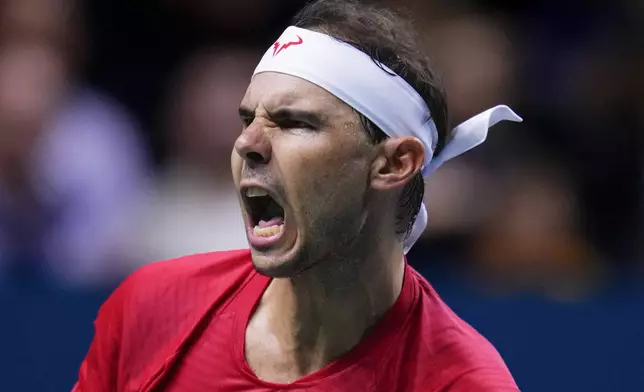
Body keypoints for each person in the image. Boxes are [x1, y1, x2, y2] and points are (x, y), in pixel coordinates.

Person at [74, 0, 522, 390]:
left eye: (293, 123)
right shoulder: (150, 309)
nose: (247, 143)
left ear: (392, 163)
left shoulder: (463, 383)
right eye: (247, 119)